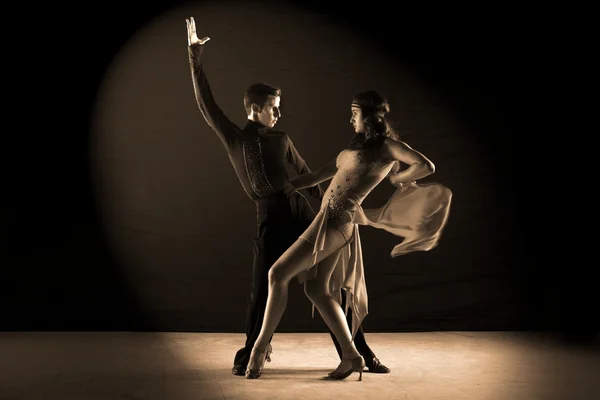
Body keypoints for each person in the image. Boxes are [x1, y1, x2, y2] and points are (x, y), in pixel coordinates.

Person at [185, 16, 390, 376]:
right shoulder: (237, 138)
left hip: (302, 215)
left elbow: (309, 177)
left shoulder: (281, 139)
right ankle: (251, 352)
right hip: (269, 218)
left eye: (279, 106)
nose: (279, 113)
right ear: (253, 108)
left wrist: (340, 208)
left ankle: (360, 350)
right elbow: (207, 105)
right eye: (273, 107)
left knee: (327, 288)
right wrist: (194, 56)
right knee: (261, 289)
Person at [246, 90, 452, 380]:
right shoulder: (356, 149)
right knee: (316, 290)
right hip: (325, 220)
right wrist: (276, 187)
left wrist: (398, 177)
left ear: (370, 116)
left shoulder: (387, 147)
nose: (350, 118)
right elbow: (317, 176)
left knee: (277, 274)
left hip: (339, 222)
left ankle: (258, 349)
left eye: (355, 113)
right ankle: (352, 356)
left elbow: (426, 165)